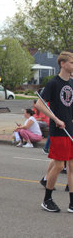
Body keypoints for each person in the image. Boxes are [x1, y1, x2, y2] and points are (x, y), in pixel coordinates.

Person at [35, 51, 73, 212]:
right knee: (58, 165)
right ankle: (47, 199)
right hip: (58, 130)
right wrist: (55, 119)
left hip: (70, 130)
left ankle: (72, 203)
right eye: (72, 62)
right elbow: (39, 104)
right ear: (63, 64)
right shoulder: (53, 83)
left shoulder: (71, 83)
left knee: (71, 166)